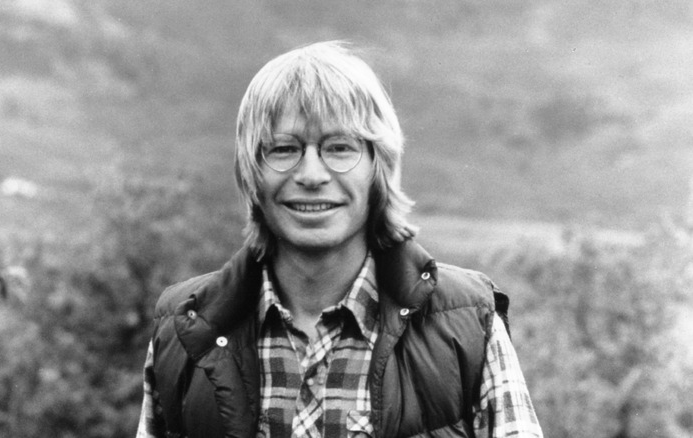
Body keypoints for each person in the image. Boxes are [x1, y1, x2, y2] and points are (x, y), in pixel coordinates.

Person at [136, 41, 543, 438]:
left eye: (339, 147)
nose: (312, 175)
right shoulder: (183, 330)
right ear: (251, 172)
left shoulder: (467, 323)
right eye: (283, 149)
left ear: (377, 168)